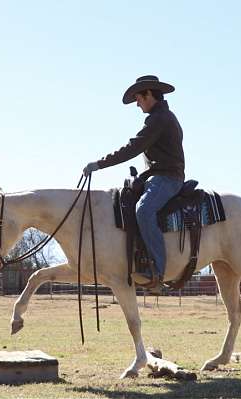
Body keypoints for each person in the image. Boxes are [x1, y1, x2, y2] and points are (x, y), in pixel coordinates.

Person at [82, 75, 185, 291]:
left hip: (167, 178)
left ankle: (157, 271)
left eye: (138, 98)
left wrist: (100, 164)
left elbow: (133, 147)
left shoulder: (160, 119)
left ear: (149, 95)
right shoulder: (160, 117)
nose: (137, 104)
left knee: (144, 211)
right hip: (158, 176)